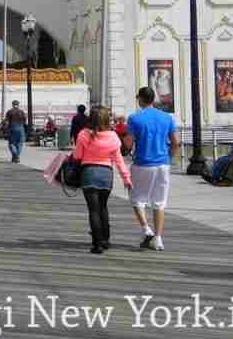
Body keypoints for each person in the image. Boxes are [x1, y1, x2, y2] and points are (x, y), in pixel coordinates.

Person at [123, 86, 180, 252]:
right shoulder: (166, 117)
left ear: (140, 99)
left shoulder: (134, 118)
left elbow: (128, 144)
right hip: (162, 164)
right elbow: (175, 142)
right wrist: (169, 158)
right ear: (153, 99)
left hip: (142, 163)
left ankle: (146, 229)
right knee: (159, 202)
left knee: (136, 198)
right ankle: (158, 238)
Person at [72, 107, 132, 254]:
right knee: (103, 207)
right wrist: (126, 178)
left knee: (93, 210)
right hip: (106, 173)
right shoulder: (113, 136)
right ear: (107, 119)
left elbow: (78, 156)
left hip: (89, 172)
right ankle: (105, 239)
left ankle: (96, 243)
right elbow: (119, 160)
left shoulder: (84, 134)